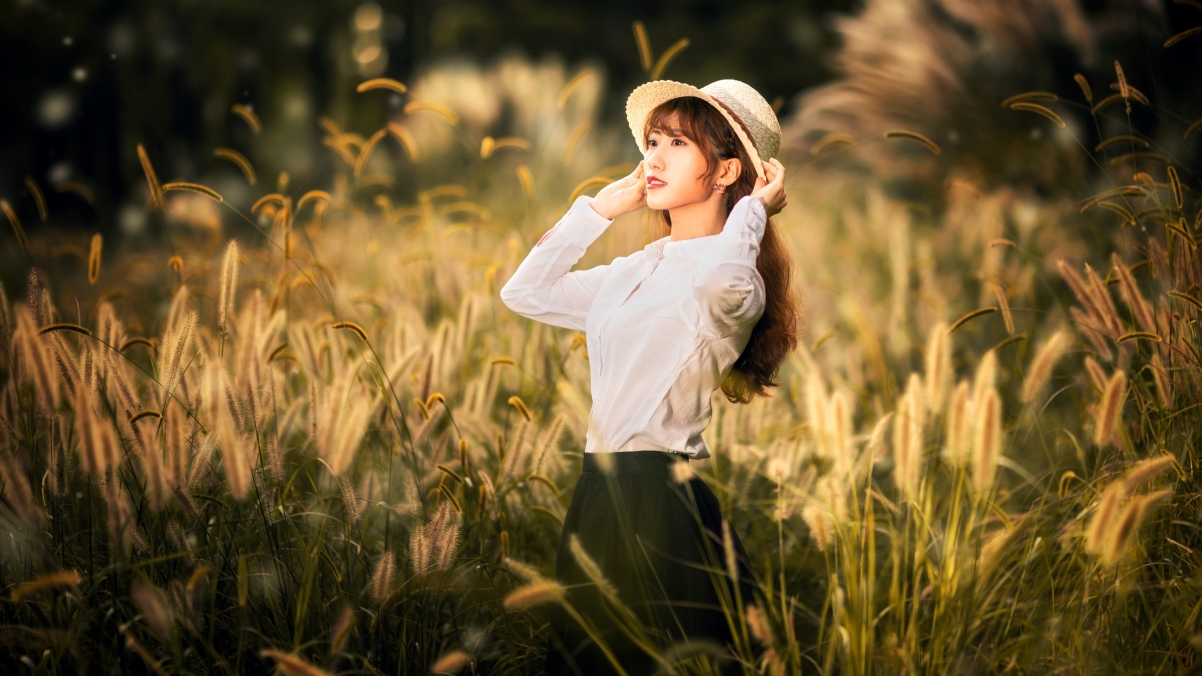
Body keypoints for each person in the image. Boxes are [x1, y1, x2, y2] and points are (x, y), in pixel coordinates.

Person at [500, 78, 799, 675]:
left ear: (725, 171)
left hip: (659, 502)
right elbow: (524, 292)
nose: (654, 159)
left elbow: (720, 282)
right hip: (597, 494)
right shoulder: (636, 269)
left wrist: (752, 213)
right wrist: (599, 210)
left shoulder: (736, 279)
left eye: (678, 144)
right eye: (653, 141)